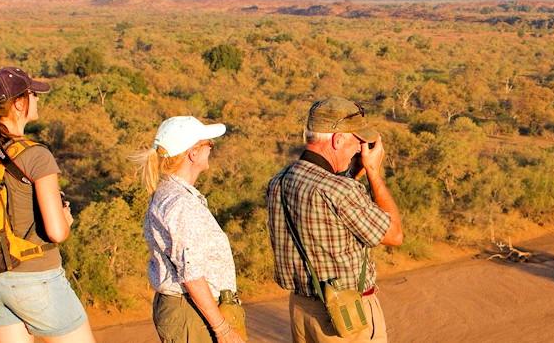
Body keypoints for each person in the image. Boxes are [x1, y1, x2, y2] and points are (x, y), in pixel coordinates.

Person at [0, 67, 95, 343]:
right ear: (19, 104)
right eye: (33, 94)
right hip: (37, 280)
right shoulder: (36, 155)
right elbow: (57, 232)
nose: (37, 98)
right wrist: (66, 219)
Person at [266, 97, 405, 343]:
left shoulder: (279, 181)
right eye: (357, 142)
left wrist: (351, 174)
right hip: (346, 316)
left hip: (302, 311)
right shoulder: (339, 190)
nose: (358, 150)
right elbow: (394, 235)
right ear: (337, 139)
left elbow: (326, 206)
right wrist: (373, 172)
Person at [138, 116, 247, 343]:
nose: (211, 149)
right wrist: (222, 329)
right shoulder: (181, 204)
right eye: (209, 144)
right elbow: (192, 275)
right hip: (192, 310)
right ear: (193, 153)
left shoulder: (167, 192)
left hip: (186, 306)